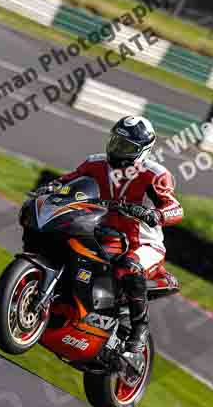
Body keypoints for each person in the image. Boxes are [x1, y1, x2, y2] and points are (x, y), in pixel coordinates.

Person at [43, 116, 183, 373]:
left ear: (142, 151)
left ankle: (139, 332)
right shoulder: (95, 163)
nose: (118, 150)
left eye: (127, 147)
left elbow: (175, 208)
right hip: (102, 232)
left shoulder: (155, 175)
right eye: (116, 141)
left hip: (143, 244)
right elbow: (69, 180)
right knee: (68, 240)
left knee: (129, 267)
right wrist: (52, 187)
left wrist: (156, 215)